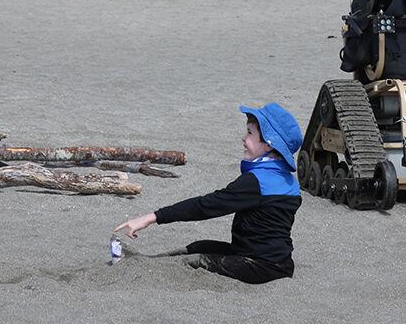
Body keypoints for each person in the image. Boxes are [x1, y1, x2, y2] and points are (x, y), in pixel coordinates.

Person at [114, 103, 302, 284]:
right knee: (200, 246)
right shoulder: (285, 180)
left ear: (269, 143)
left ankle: (147, 265)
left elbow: (206, 206)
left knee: (197, 261)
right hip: (272, 260)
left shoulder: (257, 182)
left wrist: (152, 217)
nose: (243, 138)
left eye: (250, 133)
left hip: (263, 266)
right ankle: (148, 260)